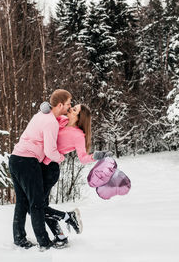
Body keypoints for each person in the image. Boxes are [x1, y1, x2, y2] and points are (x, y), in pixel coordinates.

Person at [39, 102, 112, 248]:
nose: (70, 109)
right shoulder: (63, 120)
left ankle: (67, 217)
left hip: (50, 169)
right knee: (41, 206)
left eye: (74, 109)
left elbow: (83, 158)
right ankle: (60, 237)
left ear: (79, 117)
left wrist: (97, 156)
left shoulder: (79, 135)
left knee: (37, 207)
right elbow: (50, 120)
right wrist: (45, 109)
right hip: (41, 165)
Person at [8, 89, 71, 251]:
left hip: (15, 159)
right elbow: (50, 152)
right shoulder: (51, 122)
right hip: (28, 162)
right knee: (36, 203)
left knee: (22, 202)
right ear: (59, 104)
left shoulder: (41, 115)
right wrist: (61, 158)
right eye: (68, 104)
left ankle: (19, 238)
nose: (70, 107)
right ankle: (44, 242)